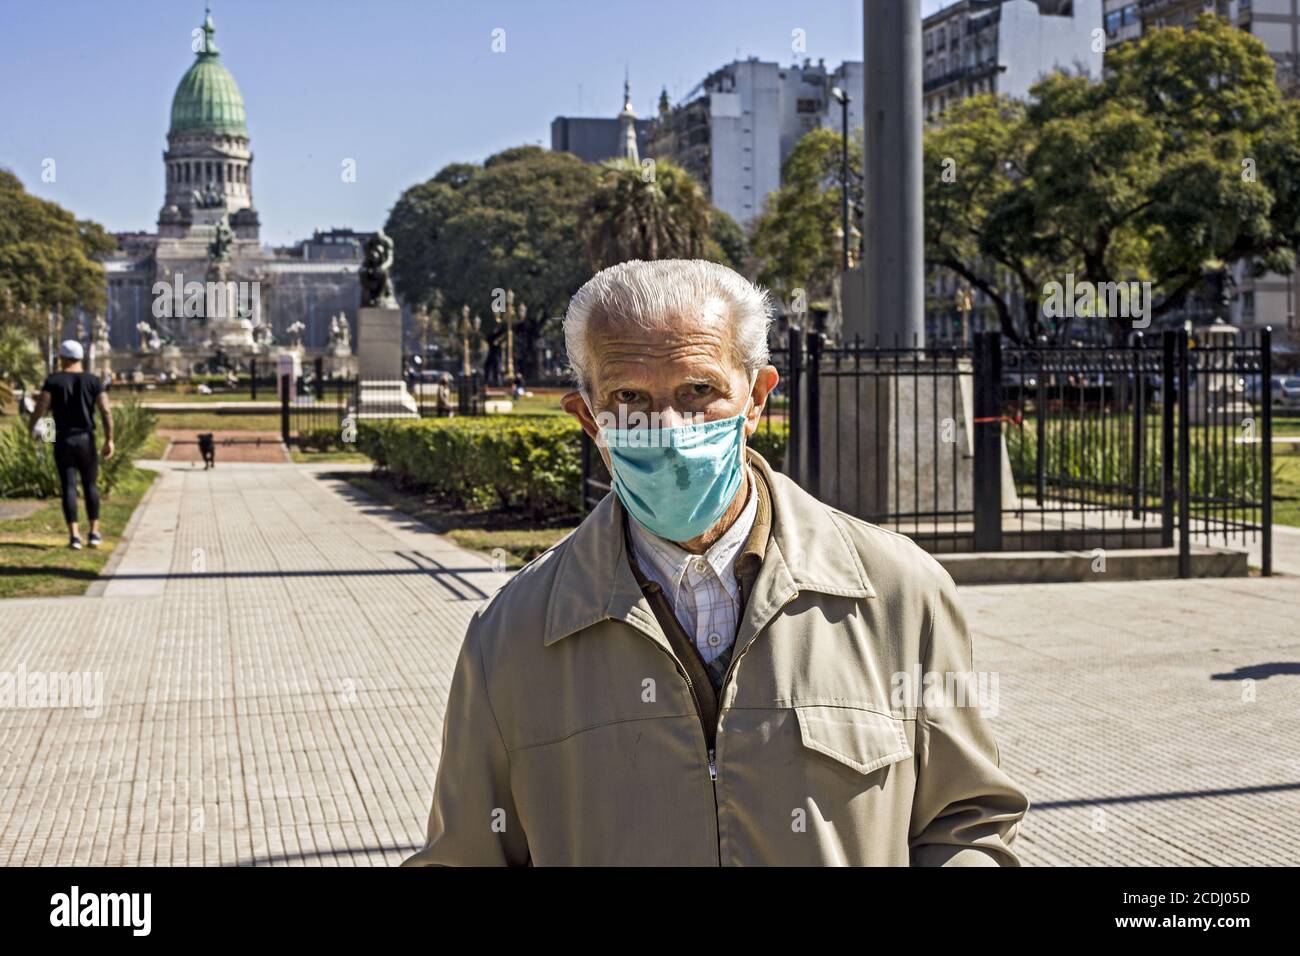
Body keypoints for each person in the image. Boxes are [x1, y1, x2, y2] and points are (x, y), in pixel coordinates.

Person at [404, 260, 1028, 866]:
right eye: (628, 397)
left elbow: (964, 819)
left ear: (756, 398)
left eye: (698, 391)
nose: (668, 428)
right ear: (589, 418)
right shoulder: (512, 636)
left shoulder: (898, 594)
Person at [29, 340, 115, 550]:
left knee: (68, 486)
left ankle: (74, 536)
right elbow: (105, 411)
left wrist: (32, 426)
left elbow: (42, 407)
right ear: (81, 358)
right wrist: (109, 439)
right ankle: (94, 533)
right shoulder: (93, 381)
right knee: (90, 485)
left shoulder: (54, 380)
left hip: (63, 438)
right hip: (86, 438)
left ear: (62, 358)